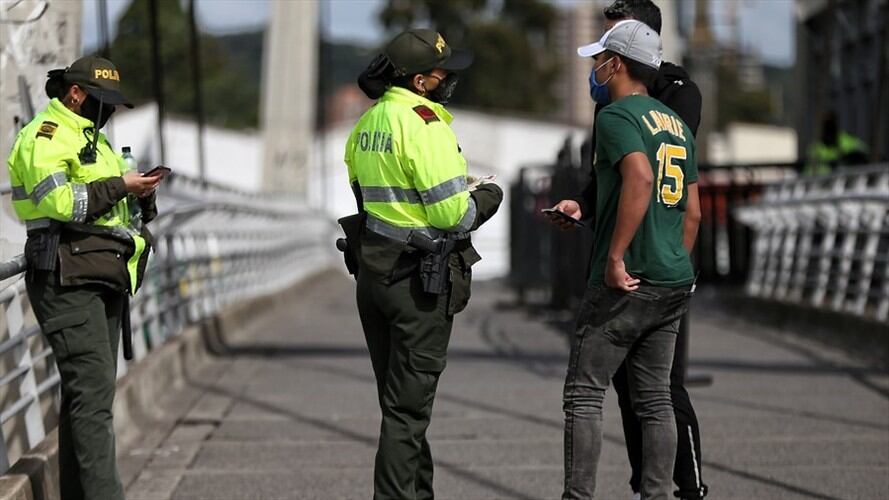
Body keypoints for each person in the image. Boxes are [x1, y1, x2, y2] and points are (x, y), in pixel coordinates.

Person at [548, 2, 707, 499]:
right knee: (656, 396)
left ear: (616, 63)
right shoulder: (675, 122)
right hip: (671, 278)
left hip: (625, 279)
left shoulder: (617, 115)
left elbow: (638, 178)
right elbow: (694, 211)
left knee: (584, 394)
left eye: (599, 57)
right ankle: (658, 494)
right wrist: (671, 261)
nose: (594, 68)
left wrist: (616, 257)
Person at [343, 29, 503, 499]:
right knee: (407, 414)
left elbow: (364, 191)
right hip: (419, 284)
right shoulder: (425, 125)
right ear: (419, 82)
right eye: (441, 72)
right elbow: (451, 215)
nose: (448, 78)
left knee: (401, 409)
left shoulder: (368, 123)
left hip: (375, 275)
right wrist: (487, 197)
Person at [6, 56, 163, 500]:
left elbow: (115, 209)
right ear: (77, 95)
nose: (108, 111)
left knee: (86, 399)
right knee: (93, 402)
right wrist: (121, 186)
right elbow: (63, 203)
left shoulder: (94, 138)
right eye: (102, 102)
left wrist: (143, 196)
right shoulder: (45, 137)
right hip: (65, 275)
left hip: (100, 273)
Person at [805, 110, 869, 176]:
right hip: (825, 183)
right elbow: (810, 172)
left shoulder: (845, 139)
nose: (829, 130)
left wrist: (850, 158)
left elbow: (864, 151)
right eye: (827, 126)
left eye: (831, 125)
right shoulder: (815, 148)